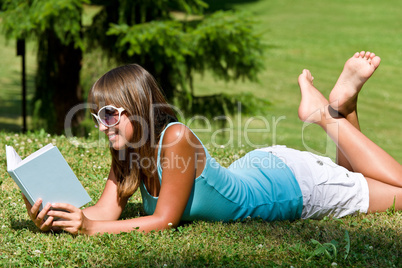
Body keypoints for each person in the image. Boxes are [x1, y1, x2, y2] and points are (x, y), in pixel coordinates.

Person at [23, 51, 402, 235]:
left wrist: (89, 230)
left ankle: (323, 114)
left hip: (298, 187)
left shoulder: (176, 138)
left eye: (107, 114)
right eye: (96, 118)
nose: (101, 126)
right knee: (351, 176)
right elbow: (106, 211)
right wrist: (60, 217)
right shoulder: (129, 154)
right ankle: (341, 106)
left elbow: (164, 219)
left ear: (135, 106)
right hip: (266, 171)